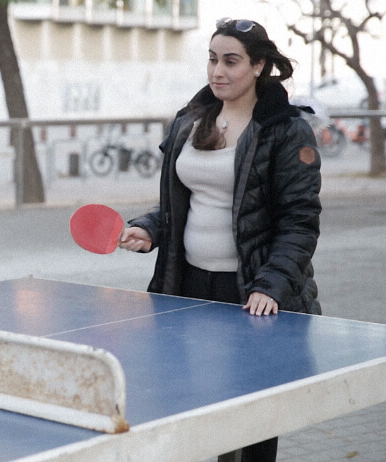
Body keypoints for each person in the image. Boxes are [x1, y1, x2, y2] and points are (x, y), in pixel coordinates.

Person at [119, 17, 322, 462]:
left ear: (259, 66)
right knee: (200, 407)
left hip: (250, 291)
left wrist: (270, 284)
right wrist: (150, 228)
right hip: (188, 285)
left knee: (253, 414)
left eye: (231, 61)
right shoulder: (191, 120)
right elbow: (180, 201)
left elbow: (300, 221)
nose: (217, 71)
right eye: (212, 60)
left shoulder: (285, 130)